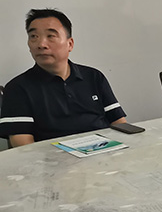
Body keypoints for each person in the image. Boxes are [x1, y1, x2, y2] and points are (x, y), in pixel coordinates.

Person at [0, 9, 127, 147]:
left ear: (70, 44)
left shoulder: (94, 77)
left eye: (51, 36)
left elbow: (119, 123)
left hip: (106, 152)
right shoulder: (18, 88)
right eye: (34, 36)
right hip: (52, 158)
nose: (41, 44)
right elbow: (23, 145)